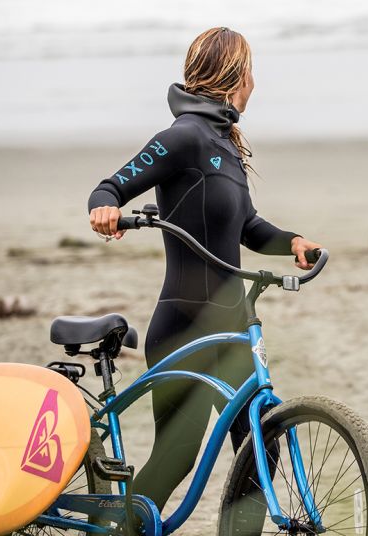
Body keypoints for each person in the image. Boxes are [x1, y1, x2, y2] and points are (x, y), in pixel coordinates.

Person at [88, 27, 321, 512]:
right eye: (251, 71)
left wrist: (292, 241)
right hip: (184, 325)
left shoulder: (227, 144)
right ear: (235, 77)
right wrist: (105, 208)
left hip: (231, 322)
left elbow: (248, 226)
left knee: (262, 450)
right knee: (176, 458)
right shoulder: (183, 137)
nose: (255, 83)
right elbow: (111, 186)